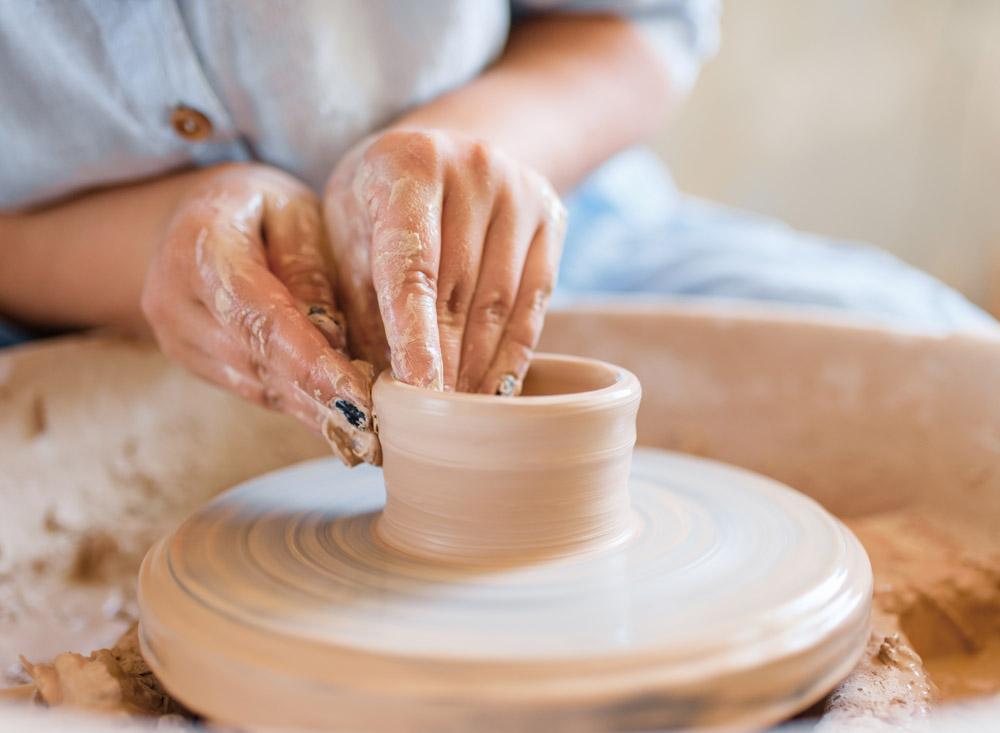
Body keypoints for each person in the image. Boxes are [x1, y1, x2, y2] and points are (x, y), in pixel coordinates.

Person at [1, 1, 993, 465]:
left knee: (961, 392)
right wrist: (160, 246)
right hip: (66, 297)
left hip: (533, 231)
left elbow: (634, 23)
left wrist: (451, 153)